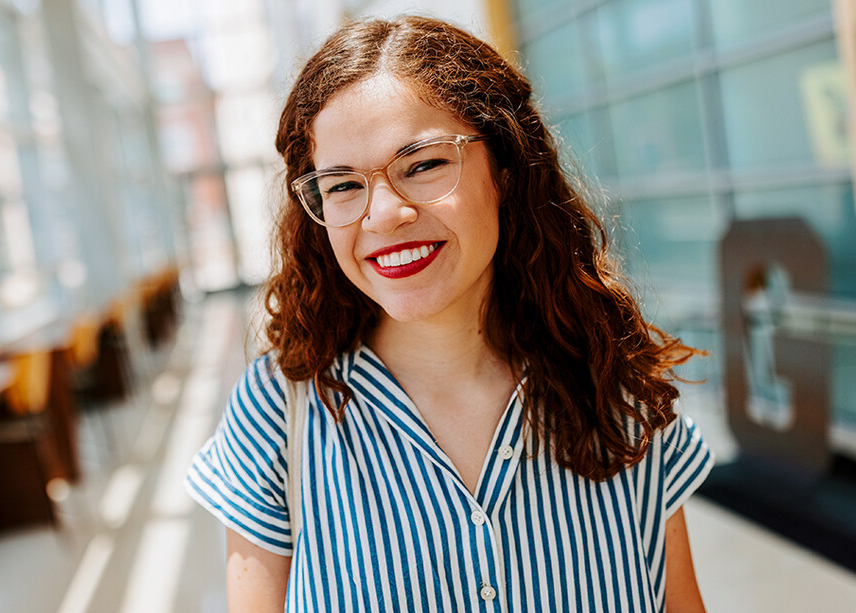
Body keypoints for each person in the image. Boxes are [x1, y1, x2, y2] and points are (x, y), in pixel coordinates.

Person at [185, 15, 714, 613]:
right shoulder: (278, 414)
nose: (382, 214)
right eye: (341, 186)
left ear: (506, 170)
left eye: (423, 165)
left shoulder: (619, 394)